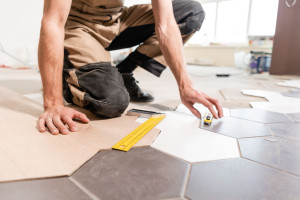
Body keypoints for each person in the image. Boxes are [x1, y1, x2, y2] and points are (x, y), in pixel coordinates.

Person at [38, 0, 224, 135]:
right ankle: (69, 76)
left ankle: (124, 71)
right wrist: (53, 103)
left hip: (117, 20)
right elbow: (53, 22)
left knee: (190, 12)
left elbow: (166, 23)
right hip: (79, 25)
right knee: (111, 102)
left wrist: (185, 85)